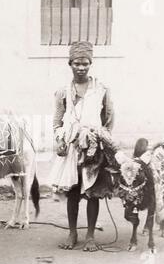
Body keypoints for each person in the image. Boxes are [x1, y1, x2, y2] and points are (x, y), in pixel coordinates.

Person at [49, 41, 115, 252]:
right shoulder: (63, 93)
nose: (81, 67)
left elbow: (108, 119)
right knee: (74, 192)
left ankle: (90, 236)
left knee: (93, 192)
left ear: (90, 64)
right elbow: (57, 122)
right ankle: (72, 233)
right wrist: (60, 139)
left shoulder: (101, 90)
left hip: (93, 150)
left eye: (85, 63)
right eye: (77, 63)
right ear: (70, 64)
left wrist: (100, 140)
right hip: (71, 149)